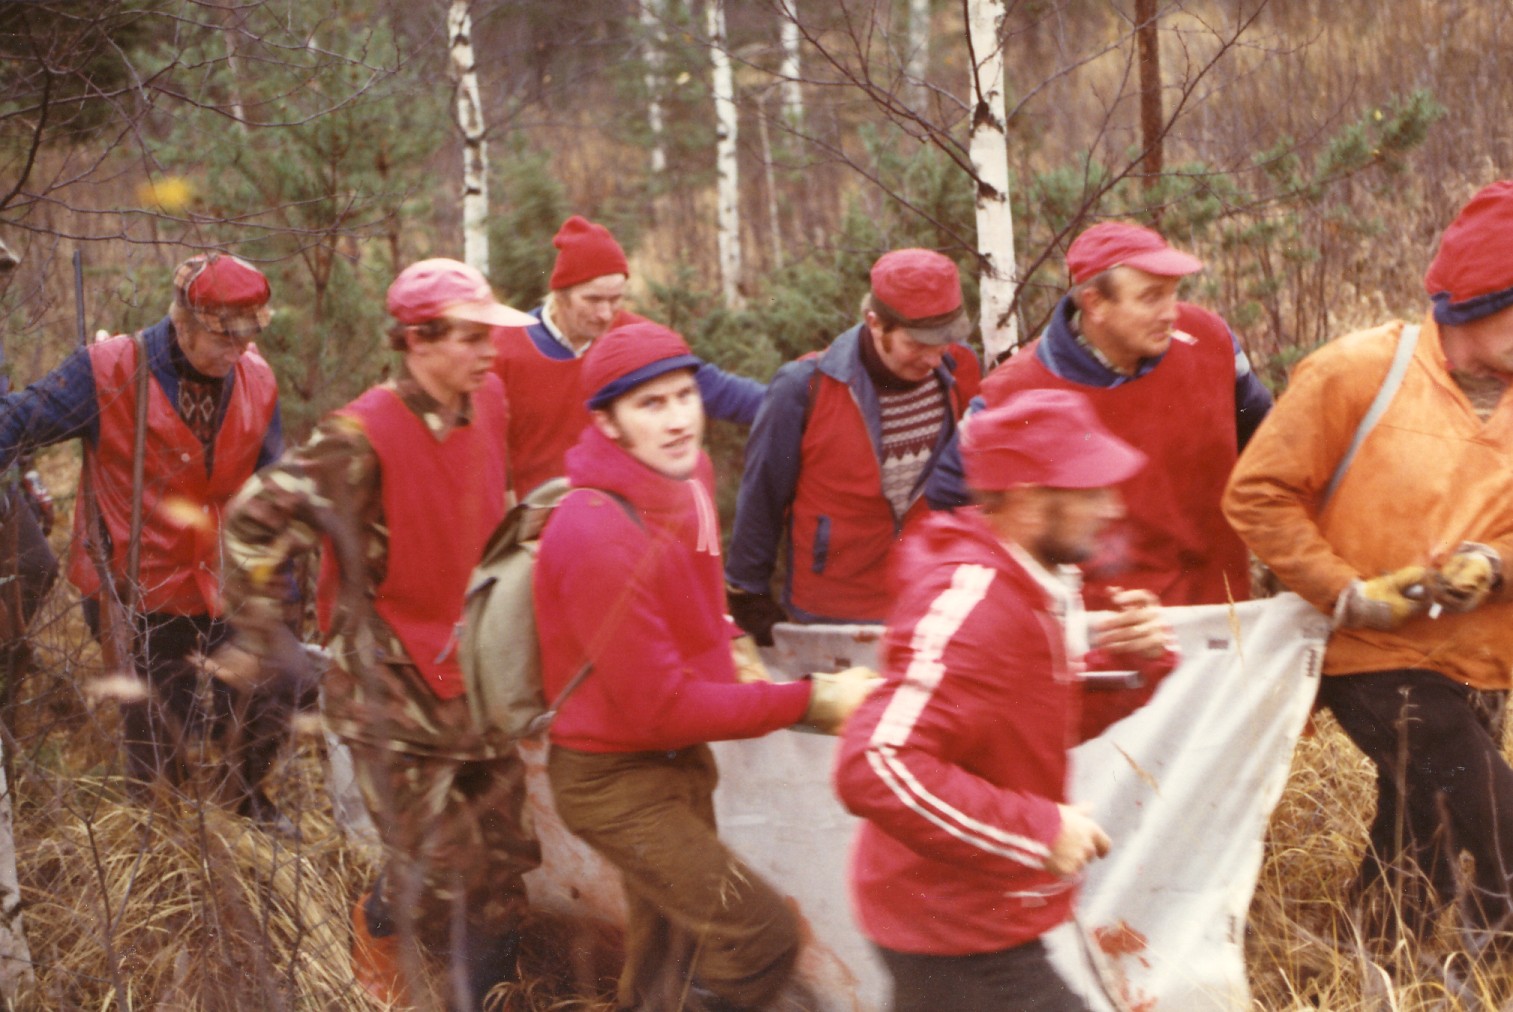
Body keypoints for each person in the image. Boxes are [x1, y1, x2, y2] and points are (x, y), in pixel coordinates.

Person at [222, 258, 543, 1006]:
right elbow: (253, 520)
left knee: (504, 864)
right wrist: (265, 634)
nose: (490, 351)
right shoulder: (362, 435)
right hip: (391, 691)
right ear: (418, 340)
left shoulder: (489, 399)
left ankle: (490, 998)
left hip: (476, 676)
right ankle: (376, 933)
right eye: (471, 337)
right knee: (436, 873)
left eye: (490, 335)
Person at [534, 320, 878, 1011]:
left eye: (684, 396)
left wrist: (731, 645)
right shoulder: (595, 530)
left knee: (671, 955)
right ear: (606, 422)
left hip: (676, 762)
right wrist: (810, 699)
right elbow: (660, 706)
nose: (676, 420)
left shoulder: (689, 476)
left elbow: (700, 591)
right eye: (650, 404)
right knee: (760, 936)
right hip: (612, 778)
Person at [1223, 179, 1513, 957]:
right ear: (1477, 300)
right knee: (1498, 828)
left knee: (1418, 835)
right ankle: (1481, 979)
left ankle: (1373, 964)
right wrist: (1345, 592)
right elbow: (1257, 495)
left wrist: (1492, 564)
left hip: (1480, 661)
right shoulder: (1357, 371)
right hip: (1372, 657)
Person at [834, 389, 1174, 1012]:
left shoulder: (1027, 585)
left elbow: (1026, 726)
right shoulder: (977, 607)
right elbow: (874, 763)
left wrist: (1137, 665)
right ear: (1027, 498)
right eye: (1090, 491)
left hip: (964, 915)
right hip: (954, 932)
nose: (1113, 507)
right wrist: (1039, 831)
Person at [0, 252, 294, 826]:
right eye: (225, 336)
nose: (239, 349)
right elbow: (15, 423)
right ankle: (163, 837)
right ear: (183, 321)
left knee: (282, 682)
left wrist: (277, 600)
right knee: (162, 755)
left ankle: (246, 799)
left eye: (249, 334)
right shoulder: (107, 370)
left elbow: (273, 495)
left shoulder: (257, 379)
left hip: (223, 582)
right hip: (137, 594)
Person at [927, 220, 1272, 609]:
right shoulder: (1013, 391)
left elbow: (1266, 440)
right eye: (1150, 298)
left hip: (1219, 609)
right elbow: (950, 500)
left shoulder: (1209, 337)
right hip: (1107, 627)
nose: (1170, 313)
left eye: (1173, 293)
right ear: (1095, 303)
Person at [725, 248, 982, 642]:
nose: (934, 358)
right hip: (830, 612)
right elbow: (762, 493)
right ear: (875, 322)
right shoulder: (803, 386)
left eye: (944, 340)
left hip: (928, 602)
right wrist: (748, 593)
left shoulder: (962, 369)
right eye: (918, 343)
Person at [490, 214, 766, 495]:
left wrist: (787, 403)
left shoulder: (636, 339)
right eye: (593, 300)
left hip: (621, 507)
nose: (605, 314)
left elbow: (715, 390)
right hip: (541, 511)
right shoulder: (504, 347)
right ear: (560, 295)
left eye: (615, 300)